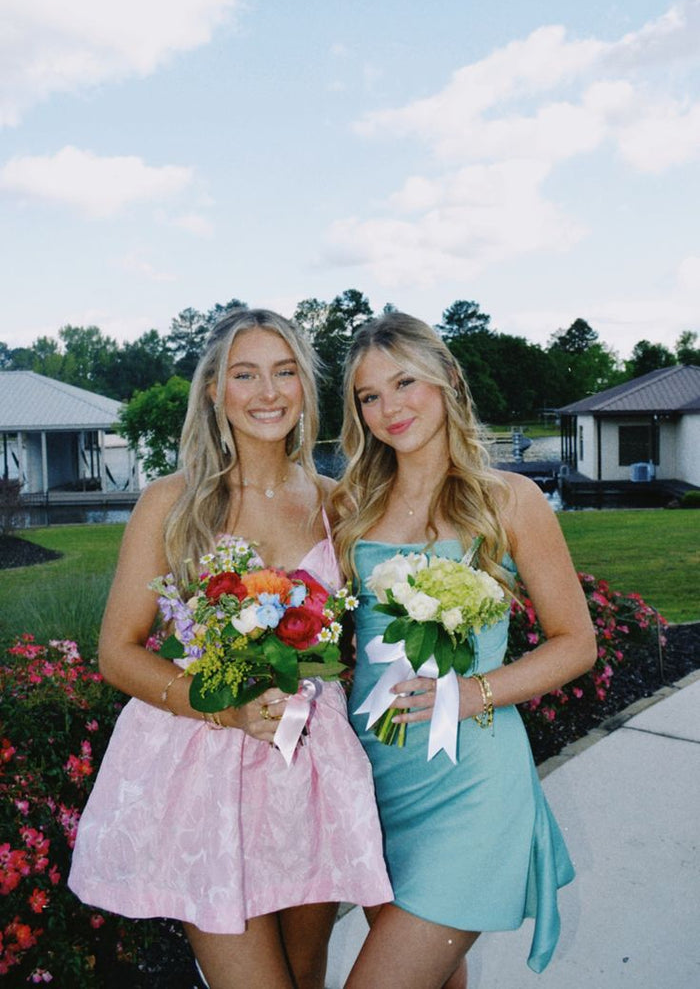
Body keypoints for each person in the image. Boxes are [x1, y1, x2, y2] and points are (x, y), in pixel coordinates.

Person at [68, 308, 392, 989]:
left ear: (305, 387)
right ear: (215, 391)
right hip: (205, 773)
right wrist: (225, 708)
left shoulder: (343, 505)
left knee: (306, 977)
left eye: (284, 373)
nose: (267, 392)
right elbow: (118, 652)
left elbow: (348, 649)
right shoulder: (173, 503)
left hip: (310, 772)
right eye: (245, 374)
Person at [332, 312, 597, 989]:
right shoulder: (351, 508)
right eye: (369, 396)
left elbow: (576, 643)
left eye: (405, 382)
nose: (389, 408)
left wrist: (469, 692)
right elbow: (335, 648)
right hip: (375, 784)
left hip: (472, 783)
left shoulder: (509, 500)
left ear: (448, 379)